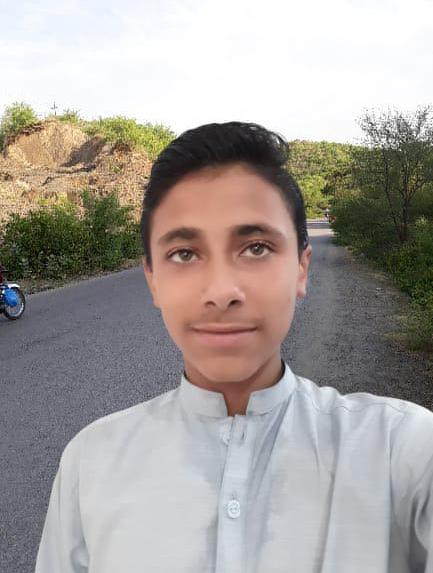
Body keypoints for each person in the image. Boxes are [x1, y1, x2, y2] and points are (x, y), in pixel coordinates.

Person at [35, 121, 433, 573]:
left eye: (256, 248)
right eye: (184, 253)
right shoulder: (91, 462)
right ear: (153, 280)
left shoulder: (403, 451)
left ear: (301, 268)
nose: (222, 292)